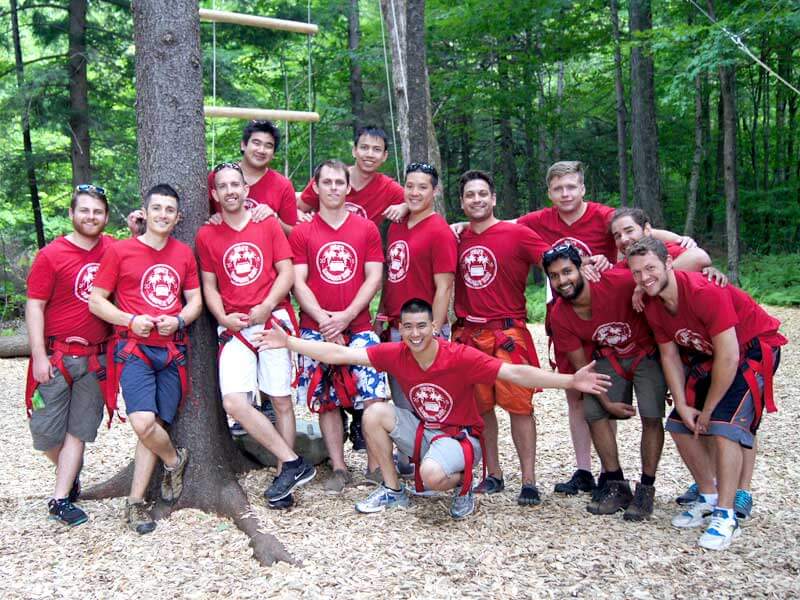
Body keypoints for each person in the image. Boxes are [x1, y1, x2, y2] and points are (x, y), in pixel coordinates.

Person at [253, 298, 612, 520]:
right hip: (426, 433)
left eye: (421, 326)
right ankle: (394, 492)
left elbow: (515, 371)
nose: (414, 333)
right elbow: (340, 354)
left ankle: (464, 485)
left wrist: (570, 380)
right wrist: (289, 342)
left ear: (434, 328)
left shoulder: (459, 356)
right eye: (407, 327)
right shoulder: (397, 353)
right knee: (376, 412)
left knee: (430, 476)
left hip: (461, 439)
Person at [514, 161, 694, 496]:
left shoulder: (603, 216)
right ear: (549, 193)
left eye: (571, 186)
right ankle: (585, 469)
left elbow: (642, 232)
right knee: (577, 394)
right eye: (558, 188)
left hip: (611, 310)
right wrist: (462, 224)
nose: (565, 193)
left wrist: (680, 239)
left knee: (608, 387)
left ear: (582, 188)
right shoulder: (540, 220)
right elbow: (506, 225)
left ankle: (609, 473)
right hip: (568, 316)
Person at [627, 237, 786, 550]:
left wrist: (710, 409)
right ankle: (709, 496)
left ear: (669, 263)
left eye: (650, 268)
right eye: (636, 273)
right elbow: (669, 355)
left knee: (724, 428)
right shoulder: (653, 303)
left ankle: (726, 515)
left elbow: (730, 356)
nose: (645, 277)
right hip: (709, 356)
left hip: (750, 349)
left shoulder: (703, 292)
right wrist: (684, 405)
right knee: (678, 425)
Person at [196, 163, 316, 510]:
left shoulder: (266, 223)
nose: (231, 190)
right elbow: (209, 285)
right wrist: (221, 316)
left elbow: (286, 271)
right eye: (223, 186)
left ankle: (284, 478)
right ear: (215, 194)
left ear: (246, 189)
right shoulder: (207, 235)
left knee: (279, 400)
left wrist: (265, 307)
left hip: (271, 319)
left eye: (237, 184)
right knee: (235, 401)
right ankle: (292, 461)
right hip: (233, 325)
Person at [90, 184, 203, 535]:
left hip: (171, 352)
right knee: (142, 423)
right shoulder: (121, 252)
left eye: (170, 210)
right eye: (157, 208)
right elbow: (97, 300)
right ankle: (173, 460)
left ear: (177, 216)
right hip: (135, 349)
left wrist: (181, 319)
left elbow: (195, 300)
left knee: (154, 428)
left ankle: (136, 503)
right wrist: (129, 320)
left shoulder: (183, 254)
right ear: (146, 211)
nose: (163, 215)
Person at [545, 243, 666, 520]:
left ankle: (646, 489)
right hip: (609, 358)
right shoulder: (561, 315)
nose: (563, 281)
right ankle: (615, 482)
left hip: (644, 352)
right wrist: (608, 404)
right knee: (593, 410)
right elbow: (582, 372)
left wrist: (639, 287)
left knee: (651, 413)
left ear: (582, 269)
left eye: (567, 271)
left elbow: (657, 274)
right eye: (555, 276)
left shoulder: (617, 283)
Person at [451, 170, 550, 506]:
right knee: (481, 410)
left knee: (519, 406)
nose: (476, 200)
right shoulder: (457, 237)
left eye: (482, 194)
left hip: (507, 332)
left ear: (493, 199)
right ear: (462, 203)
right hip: (470, 332)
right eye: (470, 195)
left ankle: (529, 481)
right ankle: (493, 474)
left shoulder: (518, 234)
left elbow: (555, 262)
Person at [289, 159, 387, 493]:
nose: (333, 188)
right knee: (326, 396)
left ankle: (376, 465)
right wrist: (322, 318)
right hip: (315, 327)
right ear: (315, 187)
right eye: (326, 182)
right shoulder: (303, 231)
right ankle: (339, 467)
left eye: (339, 183)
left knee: (373, 394)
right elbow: (298, 281)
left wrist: (346, 316)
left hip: (357, 325)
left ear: (349, 187)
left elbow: (374, 276)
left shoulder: (366, 229)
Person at [24, 184, 115, 526]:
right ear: (72, 214)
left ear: (106, 216)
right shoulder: (51, 255)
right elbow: (35, 306)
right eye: (85, 210)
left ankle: (60, 499)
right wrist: (38, 356)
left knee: (78, 431)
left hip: (96, 360)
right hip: (56, 356)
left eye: (97, 211)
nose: (91, 217)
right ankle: (69, 471)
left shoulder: (113, 250)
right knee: (45, 433)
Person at [374, 161, 456, 482]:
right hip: (396, 324)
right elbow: (392, 276)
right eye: (410, 186)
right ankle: (409, 457)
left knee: (430, 394)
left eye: (423, 187)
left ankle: (440, 459)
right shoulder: (396, 224)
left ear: (435, 191)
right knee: (401, 394)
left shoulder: (439, 231)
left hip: (426, 328)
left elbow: (444, 285)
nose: (415, 192)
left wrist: (434, 331)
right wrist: (382, 314)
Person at [297, 126, 407, 226]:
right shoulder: (329, 178)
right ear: (354, 151)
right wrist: (302, 218)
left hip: (362, 245)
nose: (369, 154)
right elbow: (297, 208)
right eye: (364, 147)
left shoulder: (388, 188)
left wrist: (405, 207)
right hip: (323, 243)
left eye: (377, 149)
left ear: (384, 156)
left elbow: (419, 200)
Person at [207, 120, 298, 236]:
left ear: (273, 153)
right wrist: (212, 218)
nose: (261, 150)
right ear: (243, 145)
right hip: (223, 248)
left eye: (268, 146)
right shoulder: (218, 177)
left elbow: (294, 234)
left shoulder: (283, 185)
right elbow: (199, 219)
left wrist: (274, 219)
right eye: (256, 143)